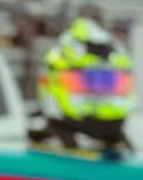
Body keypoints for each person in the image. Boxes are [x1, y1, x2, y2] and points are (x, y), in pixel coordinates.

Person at [32, 15, 136, 150]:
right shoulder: (34, 135)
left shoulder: (123, 144)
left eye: (108, 83)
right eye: (85, 83)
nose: (99, 93)